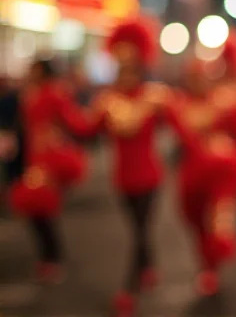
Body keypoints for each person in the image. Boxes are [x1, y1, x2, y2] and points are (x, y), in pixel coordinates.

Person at [65, 19, 168, 316]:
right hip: (123, 178)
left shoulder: (156, 97)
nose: (126, 76)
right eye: (122, 71)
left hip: (150, 176)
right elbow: (84, 130)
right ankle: (150, 267)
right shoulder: (106, 102)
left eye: (131, 71)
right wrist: (61, 108)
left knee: (139, 231)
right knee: (140, 229)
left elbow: (184, 125)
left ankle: (129, 287)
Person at [164, 58, 236, 296]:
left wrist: (227, 145)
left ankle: (212, 267)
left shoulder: (225, 101)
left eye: (201, 77)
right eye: (192, 78)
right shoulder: (179, 106)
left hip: (220, 174)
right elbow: (180, 137)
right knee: (195, 222)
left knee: (219, 220)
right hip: (191, 175)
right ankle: (206, 262)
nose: (197, 82)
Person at [7, 59, 88, 283]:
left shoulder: (54, 94)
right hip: (35, 156)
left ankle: (52, 257)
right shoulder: (30, 94)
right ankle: (50, 256)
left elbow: (73, 122)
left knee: (42, 208)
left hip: (49, 158)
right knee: (36, 208)